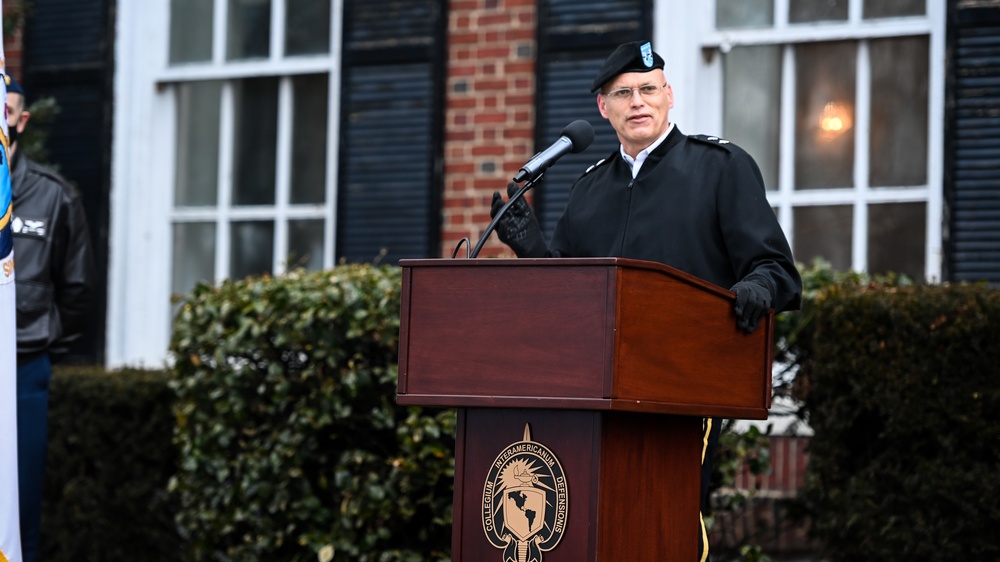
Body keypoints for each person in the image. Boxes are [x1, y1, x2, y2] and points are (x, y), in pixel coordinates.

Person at [490, 41, 802, 560]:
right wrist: (533, 251)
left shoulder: (721, 168)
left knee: (666, 522)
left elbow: (776, 268)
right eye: (624, 92)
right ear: (603, 108)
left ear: (669, 96)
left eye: (649, 89)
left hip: (684, 386)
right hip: (593, 393)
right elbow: (571, 296)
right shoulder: (588, 190)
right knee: (599, 524)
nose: (638, 101)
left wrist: (755, 288)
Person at [5, 73, 95, 562]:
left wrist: (41, 344)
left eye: (6, 110)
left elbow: (79, 290)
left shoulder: (54, 195)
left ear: (22, 119)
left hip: (23, 368)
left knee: (18, 511)